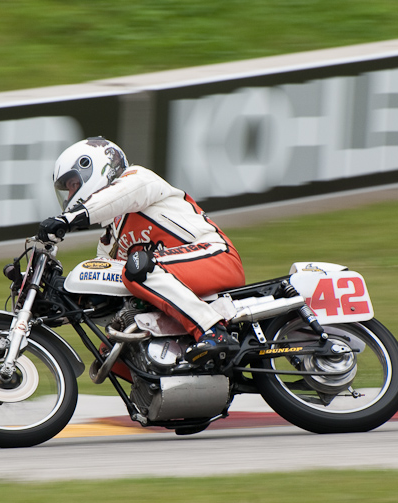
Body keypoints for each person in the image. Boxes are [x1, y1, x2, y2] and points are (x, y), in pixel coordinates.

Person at [37, 137, 245, 361]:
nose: (70, 196)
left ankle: (212, 329)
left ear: (95, 169)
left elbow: (114, 199)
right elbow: (106, 289)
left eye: (73, 185)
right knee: (111, 353)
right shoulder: (109, 236)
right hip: (181, 283)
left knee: (139, 267)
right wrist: (58, 301)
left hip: (215, 258)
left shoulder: (138, 179)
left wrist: (67, 220)